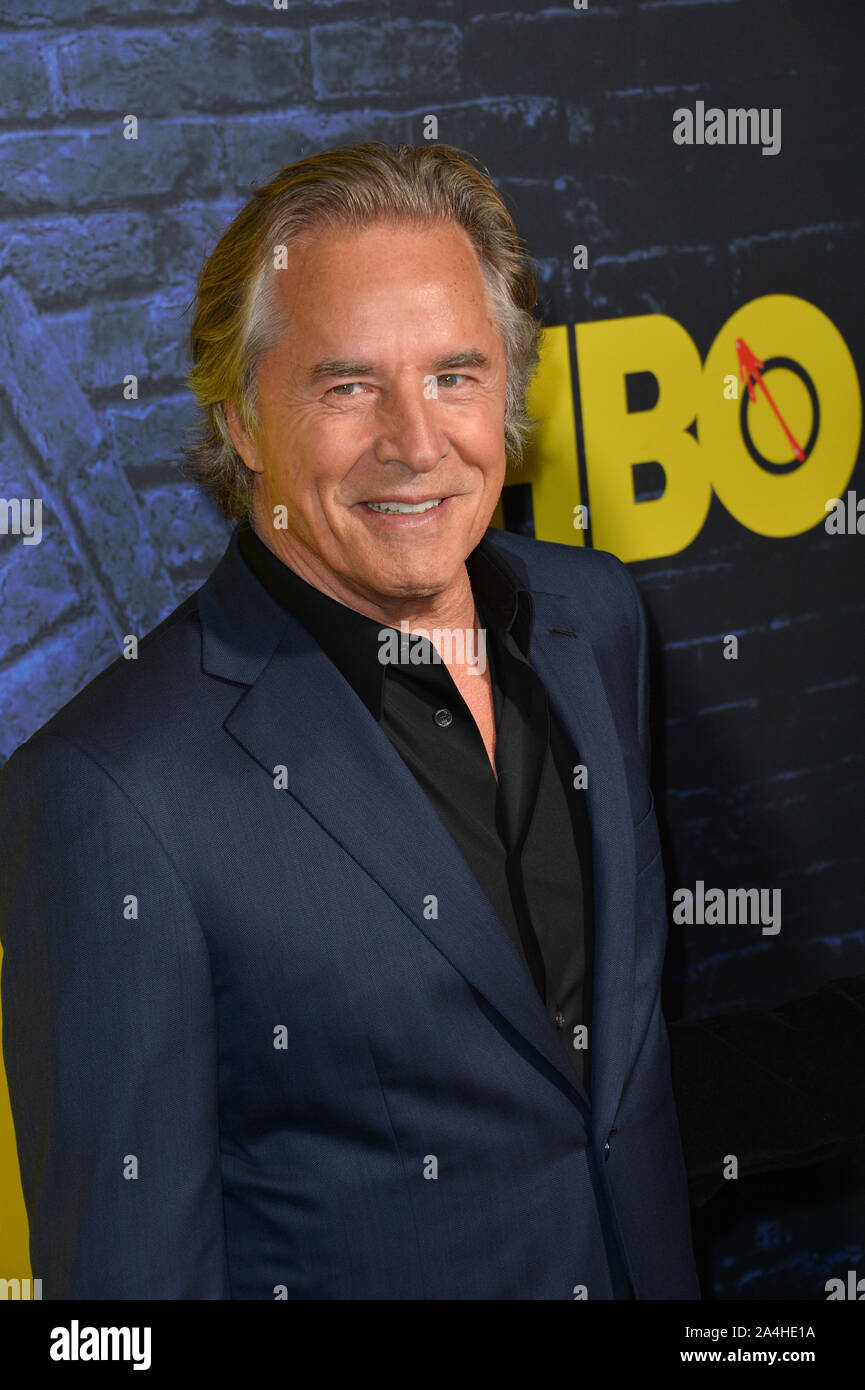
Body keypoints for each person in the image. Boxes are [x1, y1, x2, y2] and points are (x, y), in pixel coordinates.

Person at [0, 142, 699, 1299]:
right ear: (238, 419)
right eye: (347, 386)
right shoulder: (109, 796)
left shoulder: (595, 621)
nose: (416, 443)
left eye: (454, 376)